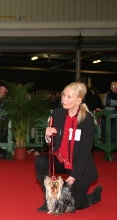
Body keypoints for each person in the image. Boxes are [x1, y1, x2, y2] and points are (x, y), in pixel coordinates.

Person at [35, 82, 102, 212]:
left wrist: (74, 176)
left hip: (79, 166)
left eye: (69, 97)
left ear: (79, 100)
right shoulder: (57, 113)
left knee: (75, 205)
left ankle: (93, 197)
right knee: (41, 161)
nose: (64, 99)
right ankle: (50, 199)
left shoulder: (87, 119)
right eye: (64, 95)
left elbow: (85, 152)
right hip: (61, 159)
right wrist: (48, 136)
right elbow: (52, 143)